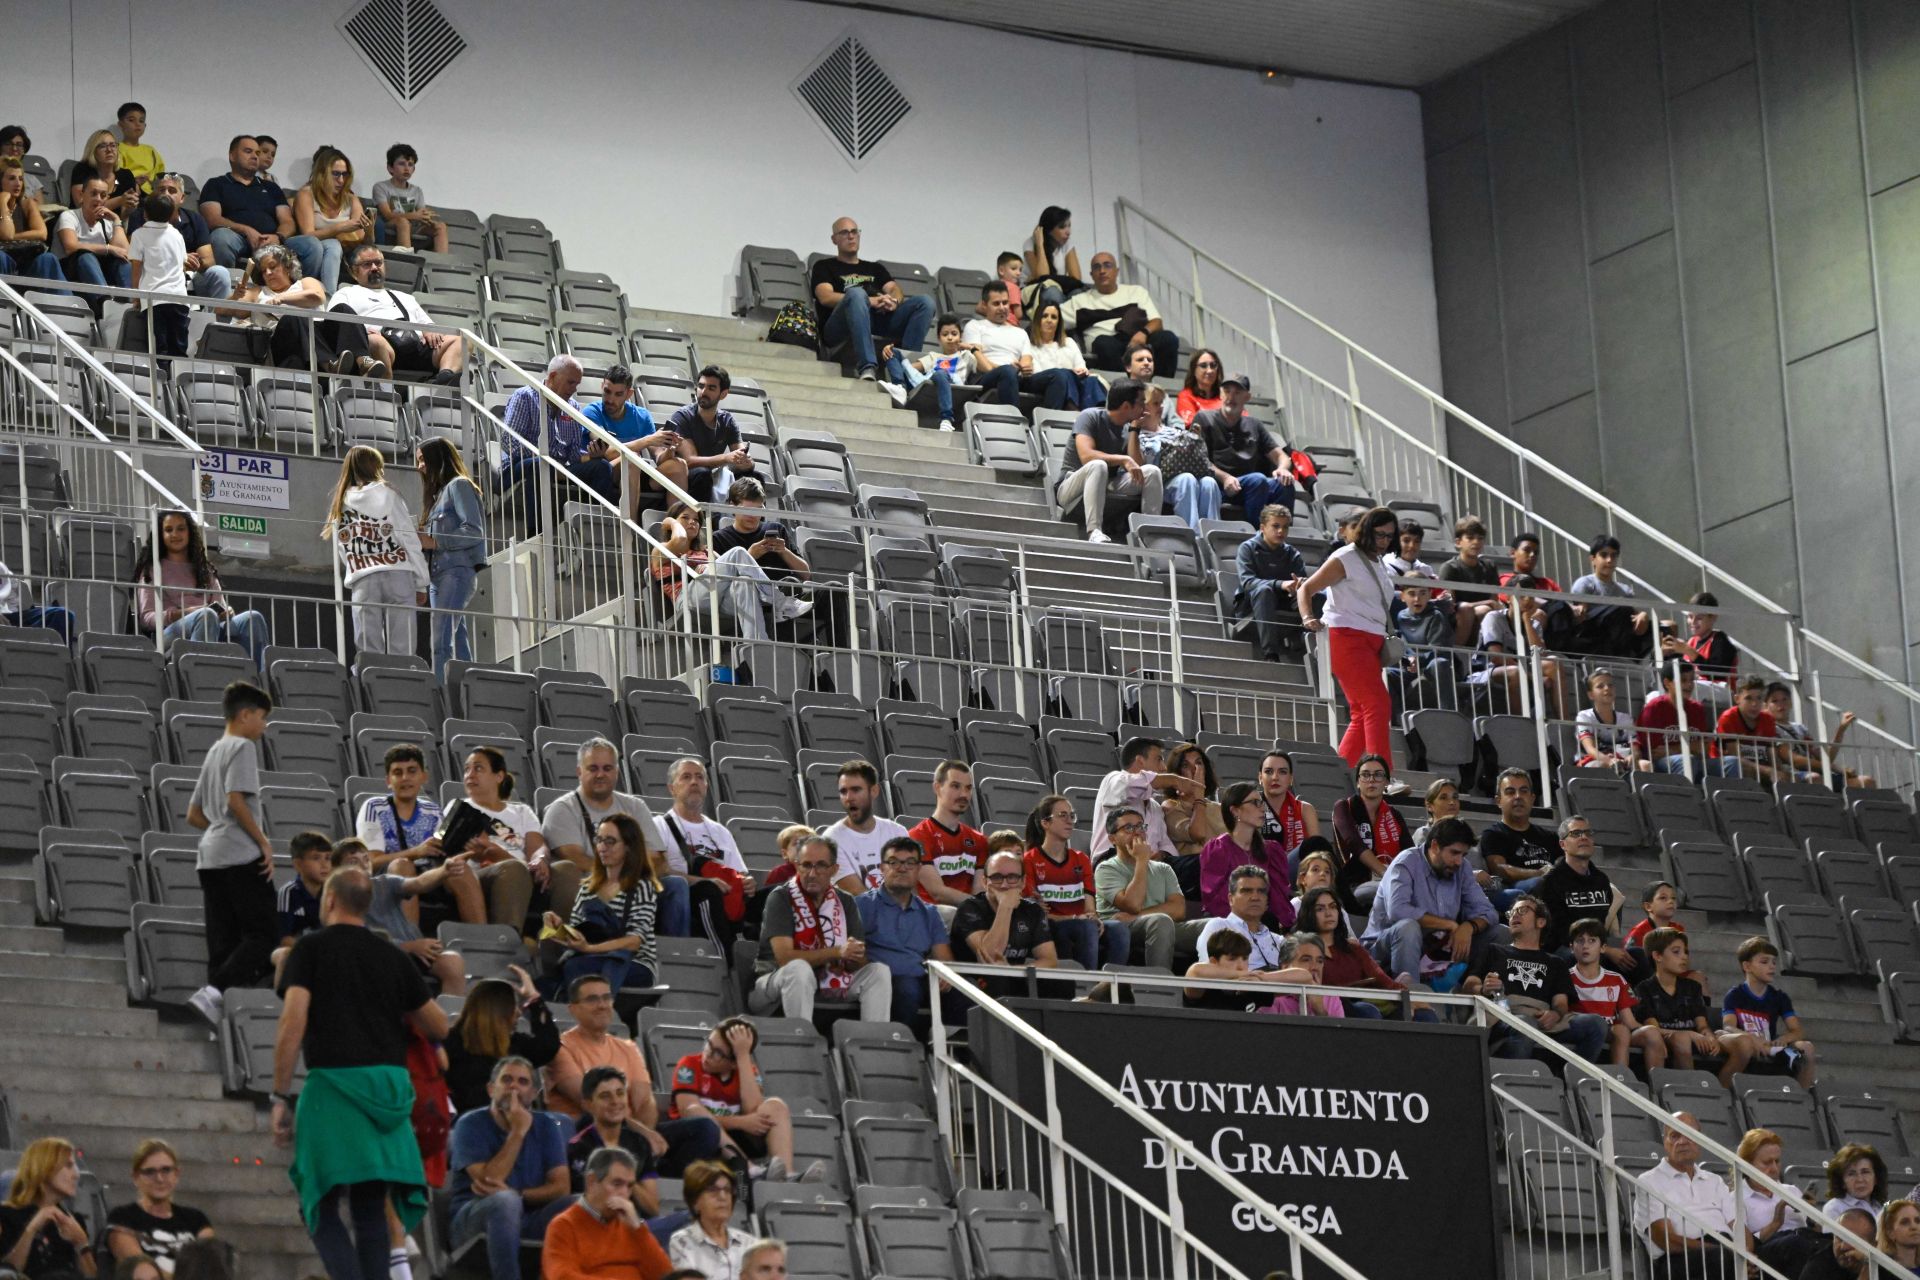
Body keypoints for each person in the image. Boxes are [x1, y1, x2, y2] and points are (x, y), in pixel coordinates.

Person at [274, 868, 450, 1280]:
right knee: (370, 1208)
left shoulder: (310, 948)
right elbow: (439, 1025)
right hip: (389, 1092)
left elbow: (292, 1023)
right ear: (367, 905)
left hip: (334, 1088)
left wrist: (279, 1095)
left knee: (317, 1203)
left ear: (330, 900)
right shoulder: (392, 956)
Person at [182, 680, 275, 1026]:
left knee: (222, 941)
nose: (264, 726)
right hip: (239, 855)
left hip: (209, 856)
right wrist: (262, 842)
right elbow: (235, 800)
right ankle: (213, 991)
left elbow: (193, 814)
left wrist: (219, 830)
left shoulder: (214, 750)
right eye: (262, 717)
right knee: (265, 934)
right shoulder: (243, 747)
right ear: (245, 715)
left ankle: (217, 1014)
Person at [447, 1056, 574, 1280]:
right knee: (505, 1201)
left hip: (529, 1218)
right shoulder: (470, 1124)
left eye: (523, 1082)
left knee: (582, 1203)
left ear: (533, 1094)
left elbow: (561, 1187)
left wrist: (519, 1194)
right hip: (473, 1221)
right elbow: (488, 1182)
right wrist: (518, 1132)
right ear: (491, 1089)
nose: (514, 1086)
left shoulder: (546, 1125)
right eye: (507, 1080)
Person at [1298, 506, 1400, 768]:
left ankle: (1338, 774)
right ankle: (1381, 774)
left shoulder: (1379, 562)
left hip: (1371, 641)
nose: (1384, 541)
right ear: (1367, 530)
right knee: (1377, 705)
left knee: (1362, 714)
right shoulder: (1345, 556)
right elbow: (1306, 588)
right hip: (1346, 637)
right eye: (1379, 534)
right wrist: (1308, 617)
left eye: (1389, 536)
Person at [751, 833, 891, 1021]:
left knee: (878, 972)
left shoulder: (845, 901)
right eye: (806, 865)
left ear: (834, 869)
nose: (812, 873)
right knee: (798, 969)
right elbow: (785, 959)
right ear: (797, 866)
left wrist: (853, 957)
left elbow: (857, 959)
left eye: (821, 865)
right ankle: (801, 1035)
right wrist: (837, 952)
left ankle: (874, 1037)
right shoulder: (780, 897)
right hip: (773, 981)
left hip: (830, 979)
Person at [541, 739, 674, 932]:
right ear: (579, 772)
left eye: (607, 768)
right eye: (593, 768)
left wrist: (629, 879)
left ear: (617, 772)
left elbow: (657, 858)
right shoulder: (562, 809)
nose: (600, 774)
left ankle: (674, 949)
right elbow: (574, 858)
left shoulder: (635, 806)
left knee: (675, 886)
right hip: (592, 885)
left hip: (635, 883)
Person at [559, 1037, 722, 1185]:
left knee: (705, 1128)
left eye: (620, 1093)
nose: (615, 1099)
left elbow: (645, 1102)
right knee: (592, 1118)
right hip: (598, 1129)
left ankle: (666, 1184)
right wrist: (641, 1134)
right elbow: (595, 1107)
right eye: (607, 1095)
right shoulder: (564, 1046)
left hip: (636, 1131)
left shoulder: (627, 1047)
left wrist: (645, 1136)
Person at [669, 1018, 816, 1182]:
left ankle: (786, 1175)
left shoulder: (745, 1069)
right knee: (696, 1111)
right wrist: (740, 1122)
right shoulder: (689, 1064)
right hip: (698, 1140)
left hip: (736, 1139)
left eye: (718, 1053)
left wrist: (743, 1055)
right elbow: (687, 1111)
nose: (707, 1053)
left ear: (733, 1063)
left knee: (776, 1106)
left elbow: (753, 1109)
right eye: (708, 1043)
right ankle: (750, 1169)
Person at [1361, 817, 1500, 989]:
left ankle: (1473, 988)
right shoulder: (1406, 862)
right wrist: (1449, 924)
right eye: (1454, 853)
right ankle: (1412, 995)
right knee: (1408, 927)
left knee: (1497, 932)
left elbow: (1489, 912)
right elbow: (1397, 910)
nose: (1459, 861)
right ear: (1434, 846)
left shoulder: (1461, 867)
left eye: (1463, 855)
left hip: (1434, 947)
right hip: (1383, 950)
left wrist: (1469, 927)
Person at [670, 477, 811, 642]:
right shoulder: (671, 547)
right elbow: (678, 538)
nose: (752, 515)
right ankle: (780, 602)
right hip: (698, 597)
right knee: (738, 552)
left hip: (740, 599)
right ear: (732, 506)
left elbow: (806, 574)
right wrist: (750, 555)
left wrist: (784, 551)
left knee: (744, 582)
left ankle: (757, 644)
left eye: (757, 510)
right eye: (746, 509)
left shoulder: (705, 549)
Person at [1470, 896, 1608, 1061]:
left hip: (1542, 1021)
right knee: (1525, 1024)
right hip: (1504, 1017)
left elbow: (1561, 1003)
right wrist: (1483, 989)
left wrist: (1555, 1014)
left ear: (1540, 922)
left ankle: (1571, 1075)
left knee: (1596, 1024)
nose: (1515, 915)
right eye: (1512, 912)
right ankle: (1512, 1075)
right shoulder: (1493, 951)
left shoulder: (1556, 962)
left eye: (1522, 910)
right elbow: (1468, 985)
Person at [324, 446, 427, 657]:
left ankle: (371, 678)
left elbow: (343, 548)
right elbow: (408, 538)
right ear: (375, 467)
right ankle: (404, 678)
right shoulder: (389, 493)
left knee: (369, 650)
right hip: (398, 573)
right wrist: (421, 582)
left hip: (363, 579)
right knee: (403, 648)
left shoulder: (340, 503)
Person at [133, 510, 270, 669]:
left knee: (253, 618)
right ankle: (201, 673)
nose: (175, 534)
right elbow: (146, 619)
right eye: (168, 530)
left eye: (181, 529)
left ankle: (256, 677)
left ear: (189, 532)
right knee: (206, 615)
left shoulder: (204, 569)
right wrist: (184, 613)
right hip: (169, 633)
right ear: (160, 535)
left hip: (211, 623)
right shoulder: (152, 570)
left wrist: (227, 611)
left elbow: (220, 605)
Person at [329, 841, 469, 995]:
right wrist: (409, 947)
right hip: (382, 956)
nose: (363, 865)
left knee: (452, 962)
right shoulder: (339, 902)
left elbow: (419, 882)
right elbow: (359, 943)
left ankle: (452, 1011)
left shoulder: (385, 882)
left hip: (414, 952)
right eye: (354, 862)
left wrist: (444, 871)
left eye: (366, 859)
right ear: (336, 870)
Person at [221, 244, 382, 375]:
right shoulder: (258, 292)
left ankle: (363, 361)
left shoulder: (306, 282)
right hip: (286, 343)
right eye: (264, 271)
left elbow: (316, 296)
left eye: (273, 267)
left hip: (319, 336)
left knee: (343, 309)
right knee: (295, 317)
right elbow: (220, 310)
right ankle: (329, 365)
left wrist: (283, 298)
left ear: (287, 266)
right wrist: (235, 296)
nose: (268, 273)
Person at [544, 815, 659, 996]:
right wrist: (559, 928)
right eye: (599, 840)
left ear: (628, 846)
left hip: (634, 962)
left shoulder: (641, 886)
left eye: (610, 841)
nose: (602, 847)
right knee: (574, 966)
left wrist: (589, 949)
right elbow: (578, 934)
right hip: (591, 956)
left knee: (581, 968)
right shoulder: (588, 888)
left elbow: (634, 942)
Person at [498, 354, 618, 526]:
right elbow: (509, 442)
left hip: (558, 467)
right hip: (518, 467)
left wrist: (592, 455)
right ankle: (537, 534)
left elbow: (574, 455)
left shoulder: (573, 407)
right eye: (571, 382)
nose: (574, 389)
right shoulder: (525, 396)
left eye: (577, 384)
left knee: (602, 466)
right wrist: (549, 461)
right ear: (553, 376)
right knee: (540, 465)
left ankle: (594, 528)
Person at [809, 217, 934, 380]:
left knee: (925, 302)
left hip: (876, 320)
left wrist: (893, 302)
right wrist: (870, 300)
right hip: (839, 327)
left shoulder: (875, 268)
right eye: (844, 232)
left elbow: (894, 289)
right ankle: (867, 366)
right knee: (856, 294)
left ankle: (908, 369)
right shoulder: (824, 266)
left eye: (854, 232)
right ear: (834, 239)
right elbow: (825, 297)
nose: (851, 236)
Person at [1633, 928, 1759, 1086]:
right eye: (1676, 952)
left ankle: (1720, 1091)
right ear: (1657, 956)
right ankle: (1691, 1089)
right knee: (1682, 1039)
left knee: (1744, 1043)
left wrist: (1709, 1036)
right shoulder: (1644, 988)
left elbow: (1702, 1025)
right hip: (1672, 1037)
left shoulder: (1692, 987)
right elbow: (1654, 1029)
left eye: (1686, 952)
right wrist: (1690, 1034)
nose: (1684, 956)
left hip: (1696, 1038)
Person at [654, 758, 753, 952]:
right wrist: (703, 881)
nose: (694, 782)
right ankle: (725, 958)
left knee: (778, 894)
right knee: (709, 890)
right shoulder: (658, 826)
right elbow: (658, 872)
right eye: (686, 777)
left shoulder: (720, 831)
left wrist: (747, 882)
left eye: (699, 777)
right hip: (688, 895)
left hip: (725, 894)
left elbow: (739, 873)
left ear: (706, 786)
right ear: (672, 788)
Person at [856, 835, 955, 1028]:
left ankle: (952, 1042)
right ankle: (900, 1042)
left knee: (967, 989)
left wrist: (946, 975)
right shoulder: (862, 905)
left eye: (910, 863)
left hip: (921, 979)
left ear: (918, 869)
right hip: (882, 981)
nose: (902, 868)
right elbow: (855, 954)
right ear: (882, 868)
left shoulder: (929, 912)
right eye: (894, 862)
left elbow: (944, 959)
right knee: (907, 989)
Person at [328, 245, 464, 382]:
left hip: (414, 344)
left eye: (378, 263)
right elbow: (336, 324)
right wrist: (362, 333)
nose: (374, 268)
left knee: (461, 340)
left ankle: (444, 379)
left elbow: (427, 324)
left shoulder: (406, 297)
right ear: (354, 271)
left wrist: (430, 330)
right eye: (367, 264)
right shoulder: (346, 293)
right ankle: (385, 389)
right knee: (375, 341)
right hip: (380, 343)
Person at [1023, 795, 1128, 972]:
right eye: (1062, 815)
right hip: (1050, 926)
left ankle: (1110, 984)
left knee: (1118, 929)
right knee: (1086, 927)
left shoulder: (1081, 859)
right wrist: (1073, 918)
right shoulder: (1029, 860)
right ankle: (1087, 983)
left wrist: (1093, 917)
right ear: (1045, 823)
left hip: (1081, 922)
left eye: (1071, 815)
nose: (1069, 821)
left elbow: (1089, 907)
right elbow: (1036, 914)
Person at [1094, 809, 1207, 971]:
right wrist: (1141, 861)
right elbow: (1133, 904)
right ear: (1113, 839)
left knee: (1216, 925)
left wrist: (1138, 915)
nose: (1137, 832)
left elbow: (1178, 909)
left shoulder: (1163, 868)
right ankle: (1159, 982)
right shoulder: (1106, 869)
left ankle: (1213, 980)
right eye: (1129, 828)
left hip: (1161, 925)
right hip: (1121, 929)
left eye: (1140, 826)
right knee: (1160, 921)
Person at [1297, 886, 1433, 1021]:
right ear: (1309, 914)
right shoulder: (1303, 951)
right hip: (1332, 1009)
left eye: (1332, 907)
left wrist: (1408, 998)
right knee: (1367, 1011)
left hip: (1369, 1003)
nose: (1329, 913)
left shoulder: (1353, 948)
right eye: (1320, 909)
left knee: (1424, 1014)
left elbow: (1380, 977)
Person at [1634, 1112, 1741, 1279]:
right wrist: (1722, 1251)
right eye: (1674, 1136)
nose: (1682, 1141)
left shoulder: (1715, 1181)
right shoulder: (1649, 1181)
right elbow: (1666, 1240)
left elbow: (1739, 1228)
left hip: (1725, 1250)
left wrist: (1746, 1256)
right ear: (1665, 1142)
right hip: (1679, 1259)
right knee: (1721, 1259)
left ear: (1700, 1140)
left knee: (1771, 1254)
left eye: (1688, 1134)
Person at [197, 135, 321, 279]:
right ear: (232, 156)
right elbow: (212, 219)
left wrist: (278, 236)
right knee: (220, 236)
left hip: (273, 241)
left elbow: (287, 221)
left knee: (311, 244)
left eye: (257, 153)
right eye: (248, 151)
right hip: (238, 238)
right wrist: (246, 230)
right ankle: (227, 287)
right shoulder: (216, 184)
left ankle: (302, 289)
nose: (255, 156)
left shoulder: (271, 187)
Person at [1056, 379, 1163, 545]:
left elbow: (1138, 468)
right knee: (1098, 465)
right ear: (1126, 406)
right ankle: (1094, 531)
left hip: (1106, 483)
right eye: (1141, 402)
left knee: (1151, 471)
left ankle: (1149, 535)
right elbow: (1086, 456)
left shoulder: (1128, 428)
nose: (1145, 407)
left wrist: (1134, 429)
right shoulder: (1089, 416)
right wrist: (1123, 459)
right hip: (1070, 487)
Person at [540, 1146, 672, 1280]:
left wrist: (639, 1229)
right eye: (617, 1184)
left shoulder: (633, 1228)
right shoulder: (563, 1226)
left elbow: (667, 1276)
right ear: (591, 1181)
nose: (624, 1193)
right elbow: (561, 1276)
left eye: (629, 1186)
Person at [414, 438, 486, 680]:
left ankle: (441, 692)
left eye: (423, 459)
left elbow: (474, 530)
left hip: (456, 572)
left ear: (437, 458)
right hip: (439, 577)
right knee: (457, 641)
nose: (420, 466)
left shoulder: (459, 486)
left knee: (440, 641)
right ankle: (468, 689)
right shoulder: (438, 497)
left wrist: (435, 541)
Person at [453, 746, 544, 932]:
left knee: (565, 868)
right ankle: (507, 941)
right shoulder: (459, 808)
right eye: (467, 769)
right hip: (484, 875)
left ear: (499, 776)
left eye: (478, 768)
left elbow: (536, 847)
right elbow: (482, 853)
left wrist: (540, 858)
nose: (470, 774)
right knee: (513, 869)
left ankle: (558, 940)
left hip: (525, 871)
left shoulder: (522, 811)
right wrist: (507, 859)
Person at [444, 969, 559, 1113]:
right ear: (498, 1009)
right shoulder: (450, 1043)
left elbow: (548, 1046)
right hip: (464, 1122)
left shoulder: (514, 1044)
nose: (519, 1012)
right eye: (513, 1006)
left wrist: (534, 1000)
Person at [582, 367, 686, 520]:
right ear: (602, 386)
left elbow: (660, 458)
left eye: (618, 394)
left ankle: (675, 526)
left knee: (679, 465)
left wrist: (670, 448)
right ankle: (630, 526)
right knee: (632, 458)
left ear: (629, 394)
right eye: (607, 391)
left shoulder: (642, 416)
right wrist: (647, 440)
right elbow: (608, 453)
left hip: (635, 472)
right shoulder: (592, 412)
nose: (610, 399)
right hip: (606, 471)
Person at [950, 851, 1059, 995]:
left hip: (1014, 976)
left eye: (1012, 877)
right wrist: (1005, 906)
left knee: (1061, 984)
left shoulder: (1032, 910)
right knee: (998, 980)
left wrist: (1012, 971)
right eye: (996, 877)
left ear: (1023, 882)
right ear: (985, 882)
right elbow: (990, 956)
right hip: (975, 983)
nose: (1004, 884)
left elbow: (1049, 961)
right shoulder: (969, 907)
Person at [1061, 251, 1181, 376]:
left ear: (1116, 271)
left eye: (1107, 265)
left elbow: (1157, 322)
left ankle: (1160, 384)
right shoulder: (1079, 301)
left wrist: (1143, 333)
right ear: (1092, 275)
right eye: (1097, 267)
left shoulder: (1136, 292)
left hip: (1138, 340)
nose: (1102, 271)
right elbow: (1053, 317)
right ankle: (1124, 385)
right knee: (1103, 343)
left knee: (1167, 338)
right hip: (1108, 345)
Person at [1196, 373, 1295, 520]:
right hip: (1218, 485)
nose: (1231, 397)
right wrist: (1225, 478)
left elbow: (1282, 456)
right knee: (1258, 480)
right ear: (1221, 394)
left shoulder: (1254, 424)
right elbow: (1198, 459)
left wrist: (1282, 469)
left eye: (1237, 392)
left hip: (1250, 485)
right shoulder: (1204, 418)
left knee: (1284, 483)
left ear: (1247, 397)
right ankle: (1257, 532)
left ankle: (1279, 532)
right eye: (1227, 391)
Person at [106, 1141, 213, 1275]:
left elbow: (210, 1267)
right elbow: (142, 1273)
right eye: (150, 1172)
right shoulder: (121, 1217)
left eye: (166, 1170)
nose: (159, 1178)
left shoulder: (197, 1219)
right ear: (136, 1177)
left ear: (176, 1174)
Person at [1533, 816, 1628, 961]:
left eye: (1588, 833)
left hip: (1595, 947)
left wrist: (1600, 948)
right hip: (1562, 949)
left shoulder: (1601, 880)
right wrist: (1602, 949)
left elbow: (1600, 925)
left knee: (1636, 956)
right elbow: (1558, 932)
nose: (1584, 837)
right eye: (1576, 833)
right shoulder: (1550, 882)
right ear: (1563, 844)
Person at [0, 1138, 96, 1280]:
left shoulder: (72, 1221)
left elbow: (93, 1277)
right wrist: (31, 1230)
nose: (76, 1174)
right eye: (68, 1166)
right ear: (44, 1168)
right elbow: (7, 1273)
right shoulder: (6, 1215)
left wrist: (82, 1244)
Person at [1733, 1128, 1823, 1277]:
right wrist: (1777, 1221)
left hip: (1801, 1248)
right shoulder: (1736, 1199)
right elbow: (1745, 1245)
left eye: (1777, 1161)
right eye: (1767, 1163)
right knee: (1795, 1243)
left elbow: (1815, 1232)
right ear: (1747, 1164)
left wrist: (1812, 1217)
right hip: (1766, 1256)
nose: (1774, 1168)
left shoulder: (1791, 1190)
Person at [1201, 783, 1295, 922]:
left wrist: (1286, 924)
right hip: (1229, 922)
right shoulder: (1219, 848)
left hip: (1264, 921)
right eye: (1255, 803)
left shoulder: (1271, 850)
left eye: (1262, 803)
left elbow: (1279, 899)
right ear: (1235, 811)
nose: (1263, 808)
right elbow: (1214, 898)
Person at [1091, 736, 1196, 860]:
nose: (1164, 768)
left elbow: (1166, 844)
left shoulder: (1155, 807)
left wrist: (1162, 854)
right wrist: (1174, 780)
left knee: (1200, 862)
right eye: (1159, 760)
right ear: (1140, 761)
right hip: (1113, 859)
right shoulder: (1113, 780)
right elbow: (1131, 784)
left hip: (1151, 864)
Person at [815, 762, 910, 898]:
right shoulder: (832, 839)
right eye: (843, 792)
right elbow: (858, 894)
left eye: (856, 790)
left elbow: (909, 885)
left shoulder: (897, 832)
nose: (849, 798)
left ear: (874, 791)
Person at [127, 173, 230, 299]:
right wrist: (180, 259)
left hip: (191, 277)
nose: (166, 194)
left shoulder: (195, 219)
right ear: (153, 195)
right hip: (154, 278)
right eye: (161, 190)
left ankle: (218, 311)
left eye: (172, 190)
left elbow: (208, 261)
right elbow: (134, 257)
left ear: (182, 198)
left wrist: (184, 264)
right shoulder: (139, 216)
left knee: (220, 272)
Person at [664, 366, 757, 503]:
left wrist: (747, 462)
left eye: (711, 388)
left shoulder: (727, 420)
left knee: (754, 478)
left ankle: (748, 517)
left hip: (714, 473)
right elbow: (690, 461)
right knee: (702, 473)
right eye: (701, 386)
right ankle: (701, 516)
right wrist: (725, 458)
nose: (703, 392)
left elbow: (740, 452)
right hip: (685, 475)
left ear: (723, 394)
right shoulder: (683, 416)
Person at [1329, 755, 1407, 912]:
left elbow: (1408, 852)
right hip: (1355, 884)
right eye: (1365, 775)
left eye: (1378, 775)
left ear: (1386, 782)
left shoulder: (1394, 814)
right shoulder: (1344, 807)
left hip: (1391, 881)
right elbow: (1354, 844)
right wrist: (1387, 874)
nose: (1371, 780)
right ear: (1358, 782)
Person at [1479, 769, 1560, 912]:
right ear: (1498, 801)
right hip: (1517, 891)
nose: (1518, 796)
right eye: (1510, 792)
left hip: (1551, 886)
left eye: (1524, 791)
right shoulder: (1493, 834)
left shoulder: (1550, 837)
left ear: (1532, 799)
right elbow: (1500, 869)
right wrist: (1539, 873)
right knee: (1539, 883)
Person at [293, 148, 373, 294]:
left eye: (344, 174)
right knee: (329, 245)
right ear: (322, 173)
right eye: (336, 174)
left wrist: (369, 230)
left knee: (334, 245)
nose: (341, 180)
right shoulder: (306, 194)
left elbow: (363, 241)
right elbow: (308, 235)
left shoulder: (351, 199)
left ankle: (329, 295)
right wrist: (339, 228)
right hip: (308, 247)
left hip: (342, 251)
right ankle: (325, 294)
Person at [908, 762, 987, 908]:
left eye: (968, 788)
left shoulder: (979, 840)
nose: (964, 794)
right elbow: (937, 892)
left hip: (970, 914)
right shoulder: (918, 836)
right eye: (955, 786)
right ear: (937, 788)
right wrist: (978, 906)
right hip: (934, 915)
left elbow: (979, 889)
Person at [1638, 661, 1735, 779]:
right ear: (1667, 683)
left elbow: (1703, 748)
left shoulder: (1697, 708)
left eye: (1691, 680)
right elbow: (1655, 752)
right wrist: (1691, 748)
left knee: (1732, 762)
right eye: (1683, 680)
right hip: (1662, 765)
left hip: (1695, 761)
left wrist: (1675, 749)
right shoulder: (1653, 708)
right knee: (1687, 760)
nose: (1689, 685)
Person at [1237, 505, 1308, 662]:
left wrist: (1300, 585)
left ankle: (1315, 647)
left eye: (1285, 527)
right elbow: (1248, 582)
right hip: (1251, 604)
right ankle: (1271, 654)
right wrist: (1280, 584)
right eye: (1275, 526)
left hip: (1284, 601)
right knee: (1264, 591)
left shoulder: (1292, 553)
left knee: (1317, 595)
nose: (1281, 531)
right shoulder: (1247, 548)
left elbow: (1302, 582)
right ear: (1263, 527)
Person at [879, 314, 974, 433]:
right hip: (927, 382)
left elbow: (986, 367)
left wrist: (971, 348)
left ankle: (947, 420)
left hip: (953, 386)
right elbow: (910, 370)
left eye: (954, 334)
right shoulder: (933, 356)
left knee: (940, 373)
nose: (950, 338)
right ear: (939, 338)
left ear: (961, 336)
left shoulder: (966, 356)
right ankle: (901, 389)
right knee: (893, 352)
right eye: (945, 334)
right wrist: (890, 354)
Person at [1567, 918, 1641, 1065]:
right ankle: (1617, 1078)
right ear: (1571, 947)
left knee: (1648, 1033)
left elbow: (1630, 1022)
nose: (1585, 946)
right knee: (1621, 1031)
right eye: (1580, 941)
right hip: (1580, 1031)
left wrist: (1660, 1032)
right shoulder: (1565, 977)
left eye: (1592, 941)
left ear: (1603, 948)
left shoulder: (1616, 979)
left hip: (1612, 1031)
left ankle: (1623, 1077)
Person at [961, 280, 1044, 409]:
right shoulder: (974, 326)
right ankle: (1013, 418)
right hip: (985, 378)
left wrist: (1024, 367)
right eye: (996, 304)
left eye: (1005, 303)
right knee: (1007, 372)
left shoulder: (1020, 332)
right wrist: (1009, 369)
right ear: (984, 305)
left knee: (1058, 376)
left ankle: (1048, 419)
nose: (1002, 307)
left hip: (1016, 376)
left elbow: (1027, 358)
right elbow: (977, 363)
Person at [1195, 864, 1292, 973]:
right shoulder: (1219, 927)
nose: (1255, 897)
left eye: (1261, 891)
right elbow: (1205, 972)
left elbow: (1301, 974)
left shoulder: (1279, 941)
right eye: (1246, 891)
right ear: (1231, 899)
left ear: (1267, 900)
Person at [665, 1163, 755, 1278]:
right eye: (713, 1190)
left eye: (727, 1190)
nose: (723, 1196)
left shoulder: (749, 1243)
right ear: (695, 1202)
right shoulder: (682, 1242)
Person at [1570, 533, 1652, 658]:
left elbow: (1635, 618)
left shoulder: (1625, 590)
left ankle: (1640, 660)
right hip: (1594, 634)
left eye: (1613, 555)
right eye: (1604, 555)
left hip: (1619, 634)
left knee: (1663, 628)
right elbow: (1581, 617)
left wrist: (1643, 615)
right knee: (1621, 608)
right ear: (1593, 559)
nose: (1609, 560)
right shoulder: (1585, 583)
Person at [55, 178, 130, 308]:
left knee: (123, 262)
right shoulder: (69, 216)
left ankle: (132, 305)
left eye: (103, 195)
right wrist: (108, 248)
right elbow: (70, 247)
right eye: (93, 193)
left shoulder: (107, 223)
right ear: (82, 195)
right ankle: (106, 304)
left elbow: (126, 253)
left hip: (102, 273)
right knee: (86, 257)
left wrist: (116, 220)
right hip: (71, 273)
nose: (98, 199)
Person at [271, 831, 334, 981]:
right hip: (294, 949)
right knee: (285, 955)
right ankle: (283, 995)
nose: (324, 864)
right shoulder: (289, 892)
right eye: (316, 858)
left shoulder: (332, 892)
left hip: (322, 949)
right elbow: (284, 939)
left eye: (328, 858)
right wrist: (314, 949)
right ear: (298, 864)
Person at [1388, 574, 1457, 711]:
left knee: (1439, 663)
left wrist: (1418, 660)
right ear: (1402, 596)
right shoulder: (1400, 616)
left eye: (1422, 593)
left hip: (1431, 664)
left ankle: (1448, 711)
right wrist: (1407, 660)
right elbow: (1400, 643)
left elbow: (1438, 649)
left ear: (1430, 594)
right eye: (1411, 594)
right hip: (1410, 666)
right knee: (1387, 673)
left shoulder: (1436, 615)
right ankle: (1394, 718)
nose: (1417, 599)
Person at [1711, 674, 1793, 785]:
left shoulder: (1767, 719)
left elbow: (1772, 756)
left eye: (1759, 698)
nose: (1754, 704)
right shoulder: (1728, 717)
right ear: (1737, 699)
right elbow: (1736, 757)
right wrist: (1768, 771)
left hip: (1760, 768)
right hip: (1728, 768)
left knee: (1800, 778)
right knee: (1746, 770)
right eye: (1748, 698)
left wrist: (1780, 773)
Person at [1026, 300, 1105, 410]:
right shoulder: (1029, 345)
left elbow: (1081, 366)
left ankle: (1094, 415)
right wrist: (1068, 373)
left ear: (1059, 322)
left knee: (1092, 380)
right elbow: (1038, 375)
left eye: (1054, 317)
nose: (1049, 320)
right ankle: (1073, 410)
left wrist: (1081, 371)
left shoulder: (1069, 342)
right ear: (1037, 320)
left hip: (1073, 383)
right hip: (1047, 385)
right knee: (1062, 374)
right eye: (1045, 316)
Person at [1437, 516, 1502, 647]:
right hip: (1457, 618)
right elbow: (1450, 605)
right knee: (1473, 609)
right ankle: (1458, 653)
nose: (1476, 542)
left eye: (1480, 538)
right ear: (1458, 542)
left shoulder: (1489, 566)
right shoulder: (1450, 567)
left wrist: (1488, 604)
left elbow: (1494, 601)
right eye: (1470, 538)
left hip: (1484, 614)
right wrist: (1484, 603)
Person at [1253, 751, 1322, 874]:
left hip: (1298, 873)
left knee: (1316, 847)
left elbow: (1317, 854)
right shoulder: (1250, 807)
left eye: (1282, 772)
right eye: (1269, 771)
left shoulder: (1305, 809)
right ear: (1260, 777)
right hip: (1260, 872)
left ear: (1290, 779)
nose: (1275, 777)